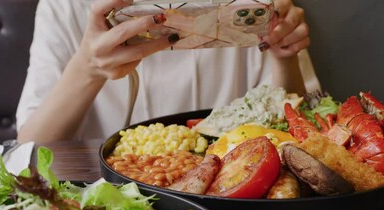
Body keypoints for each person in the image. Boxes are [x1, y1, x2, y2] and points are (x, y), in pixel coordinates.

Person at [16, 0, 320, 143]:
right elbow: (31, 147)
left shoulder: (251, 6)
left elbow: (305, 124)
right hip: (110, 202)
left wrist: (284, 55)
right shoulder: (65, 7)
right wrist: (88, 68)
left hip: (233, 196)